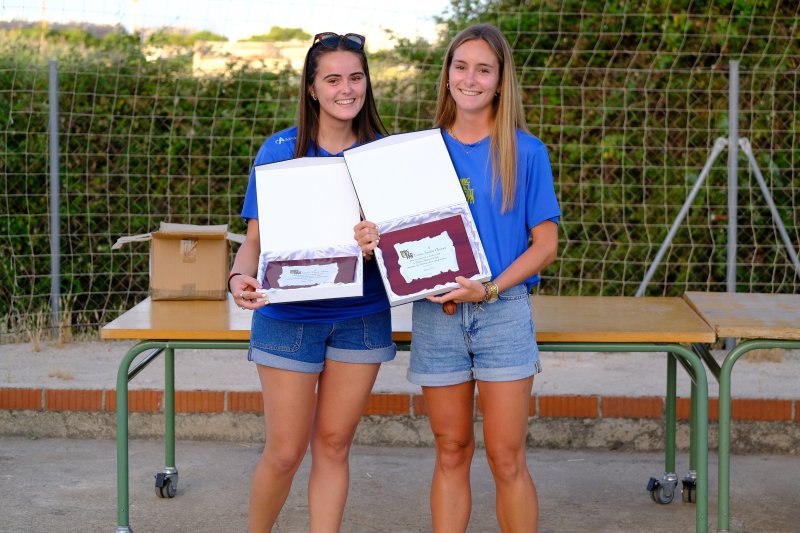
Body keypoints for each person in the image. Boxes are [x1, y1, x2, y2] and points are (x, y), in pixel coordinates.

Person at [356, 23, 560, 532]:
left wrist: (489, 288)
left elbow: (547, 244)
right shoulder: (417, 154)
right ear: (447, 75)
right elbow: (397, 238)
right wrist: (370, 236)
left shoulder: (526, 151)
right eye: (461, 66)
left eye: (483, 70)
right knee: (451, 449)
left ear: (500, 81)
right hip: (437, 314)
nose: (470, 78)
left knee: (506, 458)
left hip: (502, 313)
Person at [229, 32, 394, 533]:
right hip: (288, 319)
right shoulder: (279, 150)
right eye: (333, 79)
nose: (347, 89)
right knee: (283, 452)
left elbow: (408, 248)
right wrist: (238, 275)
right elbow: (254, 241)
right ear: (312, 88)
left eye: (356, 77)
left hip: (360, 318)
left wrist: (378, 240)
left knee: (334, 446)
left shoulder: (384, 155)